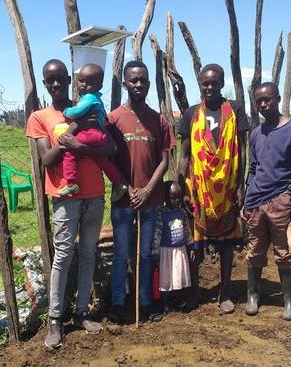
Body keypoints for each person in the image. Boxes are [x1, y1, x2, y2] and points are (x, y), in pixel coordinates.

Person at [26, 59, 117, 348]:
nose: (55, 85)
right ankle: (55, 319)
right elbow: (47, 159)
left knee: (89, 253)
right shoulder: (39, 117)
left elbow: (111, 147)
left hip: (94, 194)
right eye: (49, 81)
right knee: (63, 256)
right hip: (65, 197)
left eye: (59, 79)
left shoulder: (89, 103)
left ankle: (80, 314)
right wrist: (75, 129)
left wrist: (82, 146)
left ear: (68, 79)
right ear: (44, 84)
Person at [107, 60, 176, 323]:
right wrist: (128, 187)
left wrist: (147, 190)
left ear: (148, 84)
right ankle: (117, 303)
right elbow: (109, 160)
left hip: (151, 200)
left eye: (143, 80)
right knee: (121, 254)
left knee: (146, 254)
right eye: (133, 80)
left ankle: (145, 302)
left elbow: (164, 160)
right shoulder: (113, 120)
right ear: (125, 83)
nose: (138, 84)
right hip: (123, 200)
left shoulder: (158, 120)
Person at [178, 63, 249, 313]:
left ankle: (226, 291)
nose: (209, 87)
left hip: (228, 185)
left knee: (228, 242)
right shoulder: (191, 114)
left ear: (222, 83)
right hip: (199, 187)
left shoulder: (235, 111)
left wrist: (240, 185)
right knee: (196, 242)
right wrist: (182, 185)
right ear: (201, 84)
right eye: (205, 83)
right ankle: (196, 292)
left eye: (214, 83)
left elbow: (241, 150)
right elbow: (185, 153)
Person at [243, 82, 291, 321]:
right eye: (259, 101)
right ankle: (253, 295)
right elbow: (253, 168)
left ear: (278, 98)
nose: (263, 104)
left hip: (282, 199)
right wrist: (247, 200)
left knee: (284, 252)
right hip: (256, 202)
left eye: (267, 100)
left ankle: (290, 299)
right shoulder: (257, 134)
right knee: (255, 250)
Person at [54, 63, 126, 201]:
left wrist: (67, 111)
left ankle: (71, 182)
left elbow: (77, 112)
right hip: (100, 135)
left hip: (92, 133)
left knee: (70, 148)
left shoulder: (89, 98)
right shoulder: (96, 98)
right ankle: (118, 183)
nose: (83, 84)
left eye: (89, 82)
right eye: (81, 80)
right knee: (101, 160)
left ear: (99, 86)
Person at [152, 181, 193, 314]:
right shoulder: (161, 213)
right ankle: (165, 303)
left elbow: (187, 230)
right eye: (172, 198)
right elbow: (157, 233)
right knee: (167, 278)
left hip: (179, 250)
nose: (176, 201)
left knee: (178, 275)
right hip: (166, 252)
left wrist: (190, 246)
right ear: (165, 198)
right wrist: (155, 252)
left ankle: (177, 299)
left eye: (178, 198)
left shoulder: (182, 213)